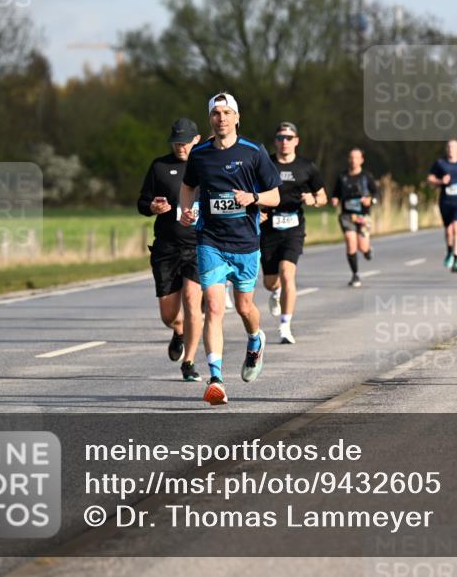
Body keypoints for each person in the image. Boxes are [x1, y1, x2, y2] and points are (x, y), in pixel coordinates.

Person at [179, 92, 282, 406]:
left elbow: (275, 196)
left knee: (244, 308)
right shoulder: (200, 154)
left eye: (226, 113)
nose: (221, 118)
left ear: (237, 118)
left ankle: (255, 340)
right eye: (216, 113)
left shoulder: (254, 152)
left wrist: (253, 198)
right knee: (213, 306)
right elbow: (188, 186)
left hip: (245, 243)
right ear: (210, 119)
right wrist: (186, 210)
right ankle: (216, 380)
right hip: (210, 240)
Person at [137, 118, 204, 382]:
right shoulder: (160, 166)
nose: (180, 147)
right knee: (169, 315)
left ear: (196, 140)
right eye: (176, 143)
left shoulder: (206, 165)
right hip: (166, 247)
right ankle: (178, 332)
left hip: (198, 245)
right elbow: (142, 202)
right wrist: (152, 207)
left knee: (192, 301)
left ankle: (189, 362)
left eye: (185, 142)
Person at [259, 122, 326, 345]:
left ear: (296, 141)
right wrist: (258, 211)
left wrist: (313, 199)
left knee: (288, 273)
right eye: (280, 138)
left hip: (294, 226)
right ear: (275, 141)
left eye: (289, 138)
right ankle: (276, 292)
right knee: (270, 282)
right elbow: (254, 192)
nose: (284, 142)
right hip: (269, 227)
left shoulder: (307, 167)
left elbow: (323, 197)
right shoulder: (266, 164)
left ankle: (285, 326)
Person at [331, 148, 379, 288]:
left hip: (363, 216)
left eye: (357, 157)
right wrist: (335, 199)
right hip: (347, 215)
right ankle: (355, 274)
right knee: (350, 241)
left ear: (362, 160)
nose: (353, 160)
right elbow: (335, 193)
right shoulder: (342, 176)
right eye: (351, 157)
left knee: (362, 247)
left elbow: (377, 193)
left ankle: (367, 251)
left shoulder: (366, 176)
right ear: (349, 159)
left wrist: (371, 200)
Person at [428, 139, 457, 273]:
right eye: (448, 147)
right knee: (448, 231)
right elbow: (430, 179)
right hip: (445, 202)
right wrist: (440, 181)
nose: (451, 149)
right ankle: (449, 251)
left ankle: (456, 260)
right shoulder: (440, 163)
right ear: (446, 149)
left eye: (453, 147)